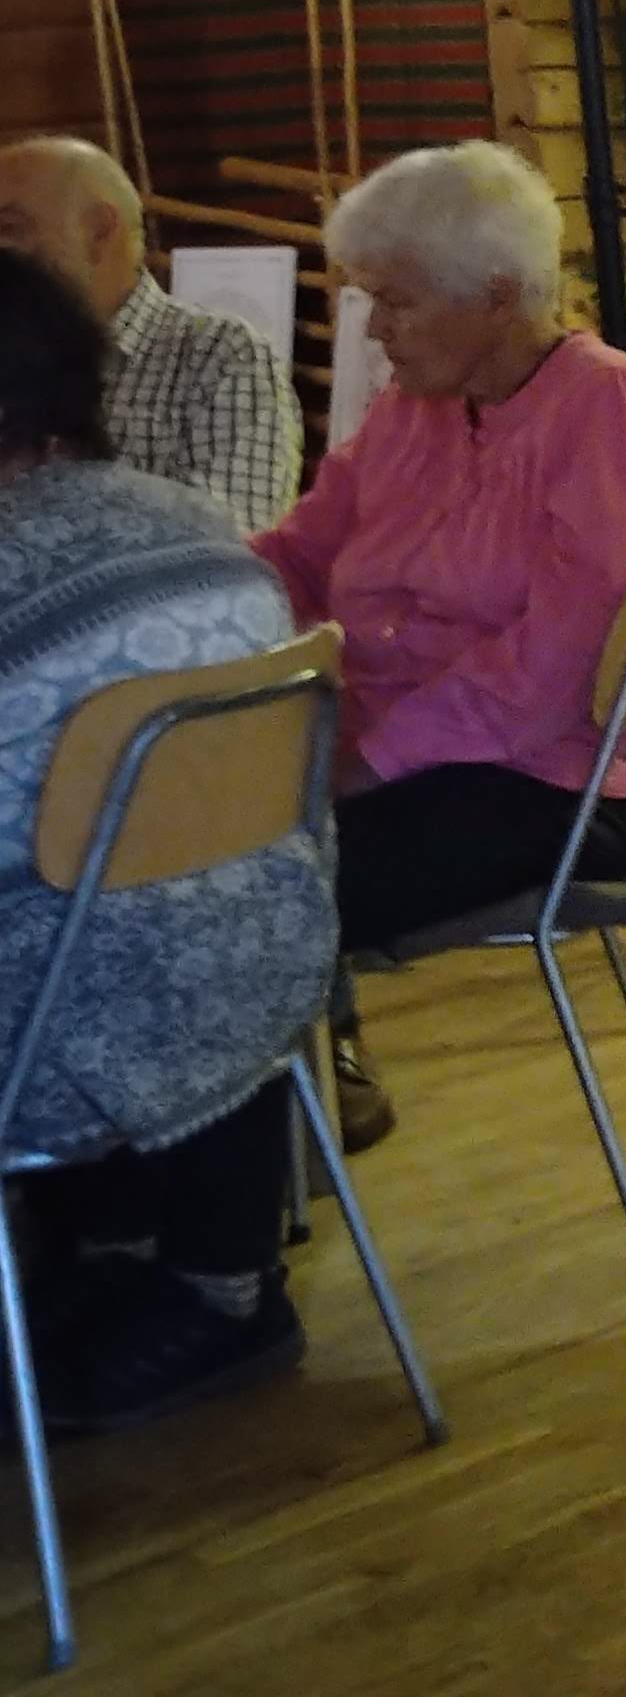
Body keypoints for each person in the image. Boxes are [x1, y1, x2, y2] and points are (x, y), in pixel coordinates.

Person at [254, 144, 626, 1151]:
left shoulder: (605, 405)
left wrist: (365, 762)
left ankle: (243, 1190)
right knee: (181, 850)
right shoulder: (413, 410)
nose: (375, 330)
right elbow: (298, 554)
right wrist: (169, 595)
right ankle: (266, 1125)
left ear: (496, 294)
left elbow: (555, 669)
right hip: (401, 755)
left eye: (396, 301)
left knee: (255, 897)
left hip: (556, 780)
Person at [0, 246, 331, 1432]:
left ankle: (133, 1277)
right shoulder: (200, 525)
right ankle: (164, 1273)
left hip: (64, 1030)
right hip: (265, 979)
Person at [0, 134, 302, 534]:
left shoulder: (220, 354)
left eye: (9, 229)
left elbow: (227, 539)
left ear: (99, 232)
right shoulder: (12, 355)